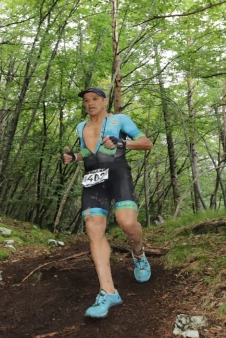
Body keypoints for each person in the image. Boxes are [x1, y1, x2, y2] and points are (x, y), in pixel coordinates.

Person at [61, 87, 154, 319]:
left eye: (94, 99)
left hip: (118, 173)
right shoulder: (81, 127)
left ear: (104, 101)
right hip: (92, 178)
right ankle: (108, 291)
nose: (89, 103)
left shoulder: (118, 120)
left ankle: (139, 254)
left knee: (127, 222)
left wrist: (122, 143)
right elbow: (87, 152)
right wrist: (74, 158)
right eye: (86, 100)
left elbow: (146, 143)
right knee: (93, 229)